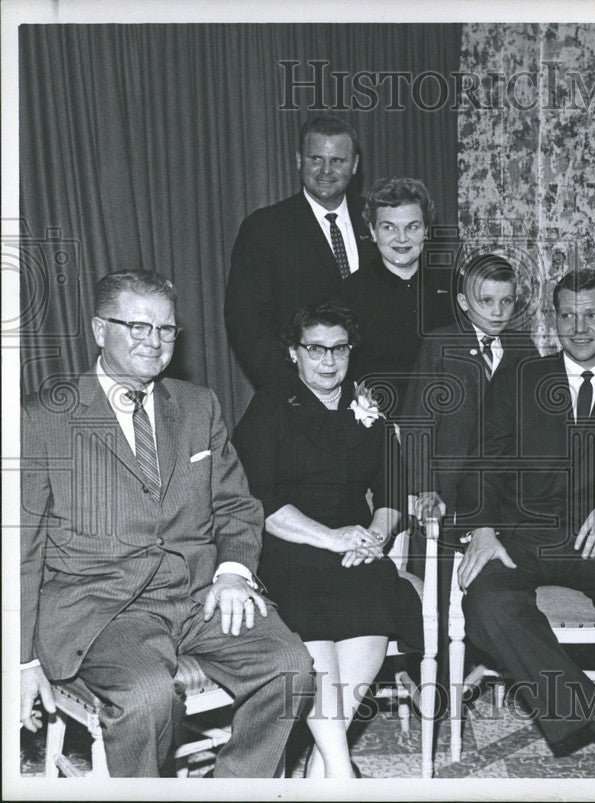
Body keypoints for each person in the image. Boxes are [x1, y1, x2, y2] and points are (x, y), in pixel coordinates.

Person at [20, 270, 313, 777]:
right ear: (97, 329)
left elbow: (238, 507)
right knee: (146, 696)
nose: (154, 342)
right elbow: (21, 548)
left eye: (166, 329)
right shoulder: (42, 419)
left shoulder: (199, 406)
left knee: (292, 669)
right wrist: (21, 661)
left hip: (200, 595)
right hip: (102, 608)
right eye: (137, 326)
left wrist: (232, 574)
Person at [457, 269, 595, 778]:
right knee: (486, 600)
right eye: (568, 315)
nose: (579, 328)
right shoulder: (519, 380)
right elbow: (484, 462)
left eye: (593, 315)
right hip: (527, 537)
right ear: (553, 319)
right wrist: (485, 528)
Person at [231, 302, 422, 779]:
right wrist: (330, 539)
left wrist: (375, 537)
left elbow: (394, 487)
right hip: (289, 544)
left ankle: (324, 764)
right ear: (294, 353)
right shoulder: (271, 406)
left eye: (339, 349)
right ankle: (340, 768)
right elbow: (258, 499)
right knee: (308, 597)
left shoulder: (369, 412)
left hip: (355, 544)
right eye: (316, 349)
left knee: (376, 589)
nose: (329, 360)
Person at [399, 252, 538, 685]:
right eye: (486, 301)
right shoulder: (440, 346)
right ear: (462, 301)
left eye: (507, 302)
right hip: (445, 490)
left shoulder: (522, 349)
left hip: (498, 496)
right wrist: (423, 488)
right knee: (437, 588)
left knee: (501, 578)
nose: (497, 312)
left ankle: (486, 656)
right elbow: (417, 424)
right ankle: (431, 676)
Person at [225, 115, 379, 388]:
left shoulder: (379, 219)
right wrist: (293, 391)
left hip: (377, 393)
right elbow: (247, 325)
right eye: (316, 159)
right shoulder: (264, 228)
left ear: (355, 165)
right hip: (297, 397)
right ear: (299, 161)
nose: (326, 170)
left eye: (338, 161)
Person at [342, 177, 455, 417]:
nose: (401, 238)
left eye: (412, 227)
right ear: (372, 231)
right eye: (389, 227)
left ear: (426, 230)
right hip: (377, 429)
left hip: (448, 423)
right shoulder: (348, 294)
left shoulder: (456, 286)